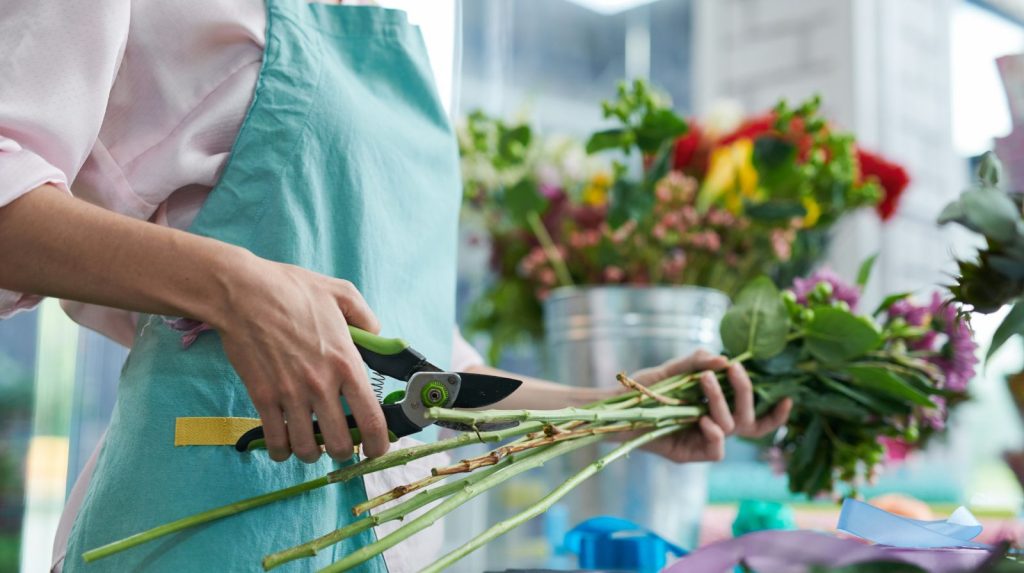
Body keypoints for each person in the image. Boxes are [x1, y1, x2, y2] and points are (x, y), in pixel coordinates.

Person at [0, 1, 793, 571]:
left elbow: (415, 363)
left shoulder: (397, 33)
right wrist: (236, 285)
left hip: (395, 545)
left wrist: (621, 412)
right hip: (202, 527)